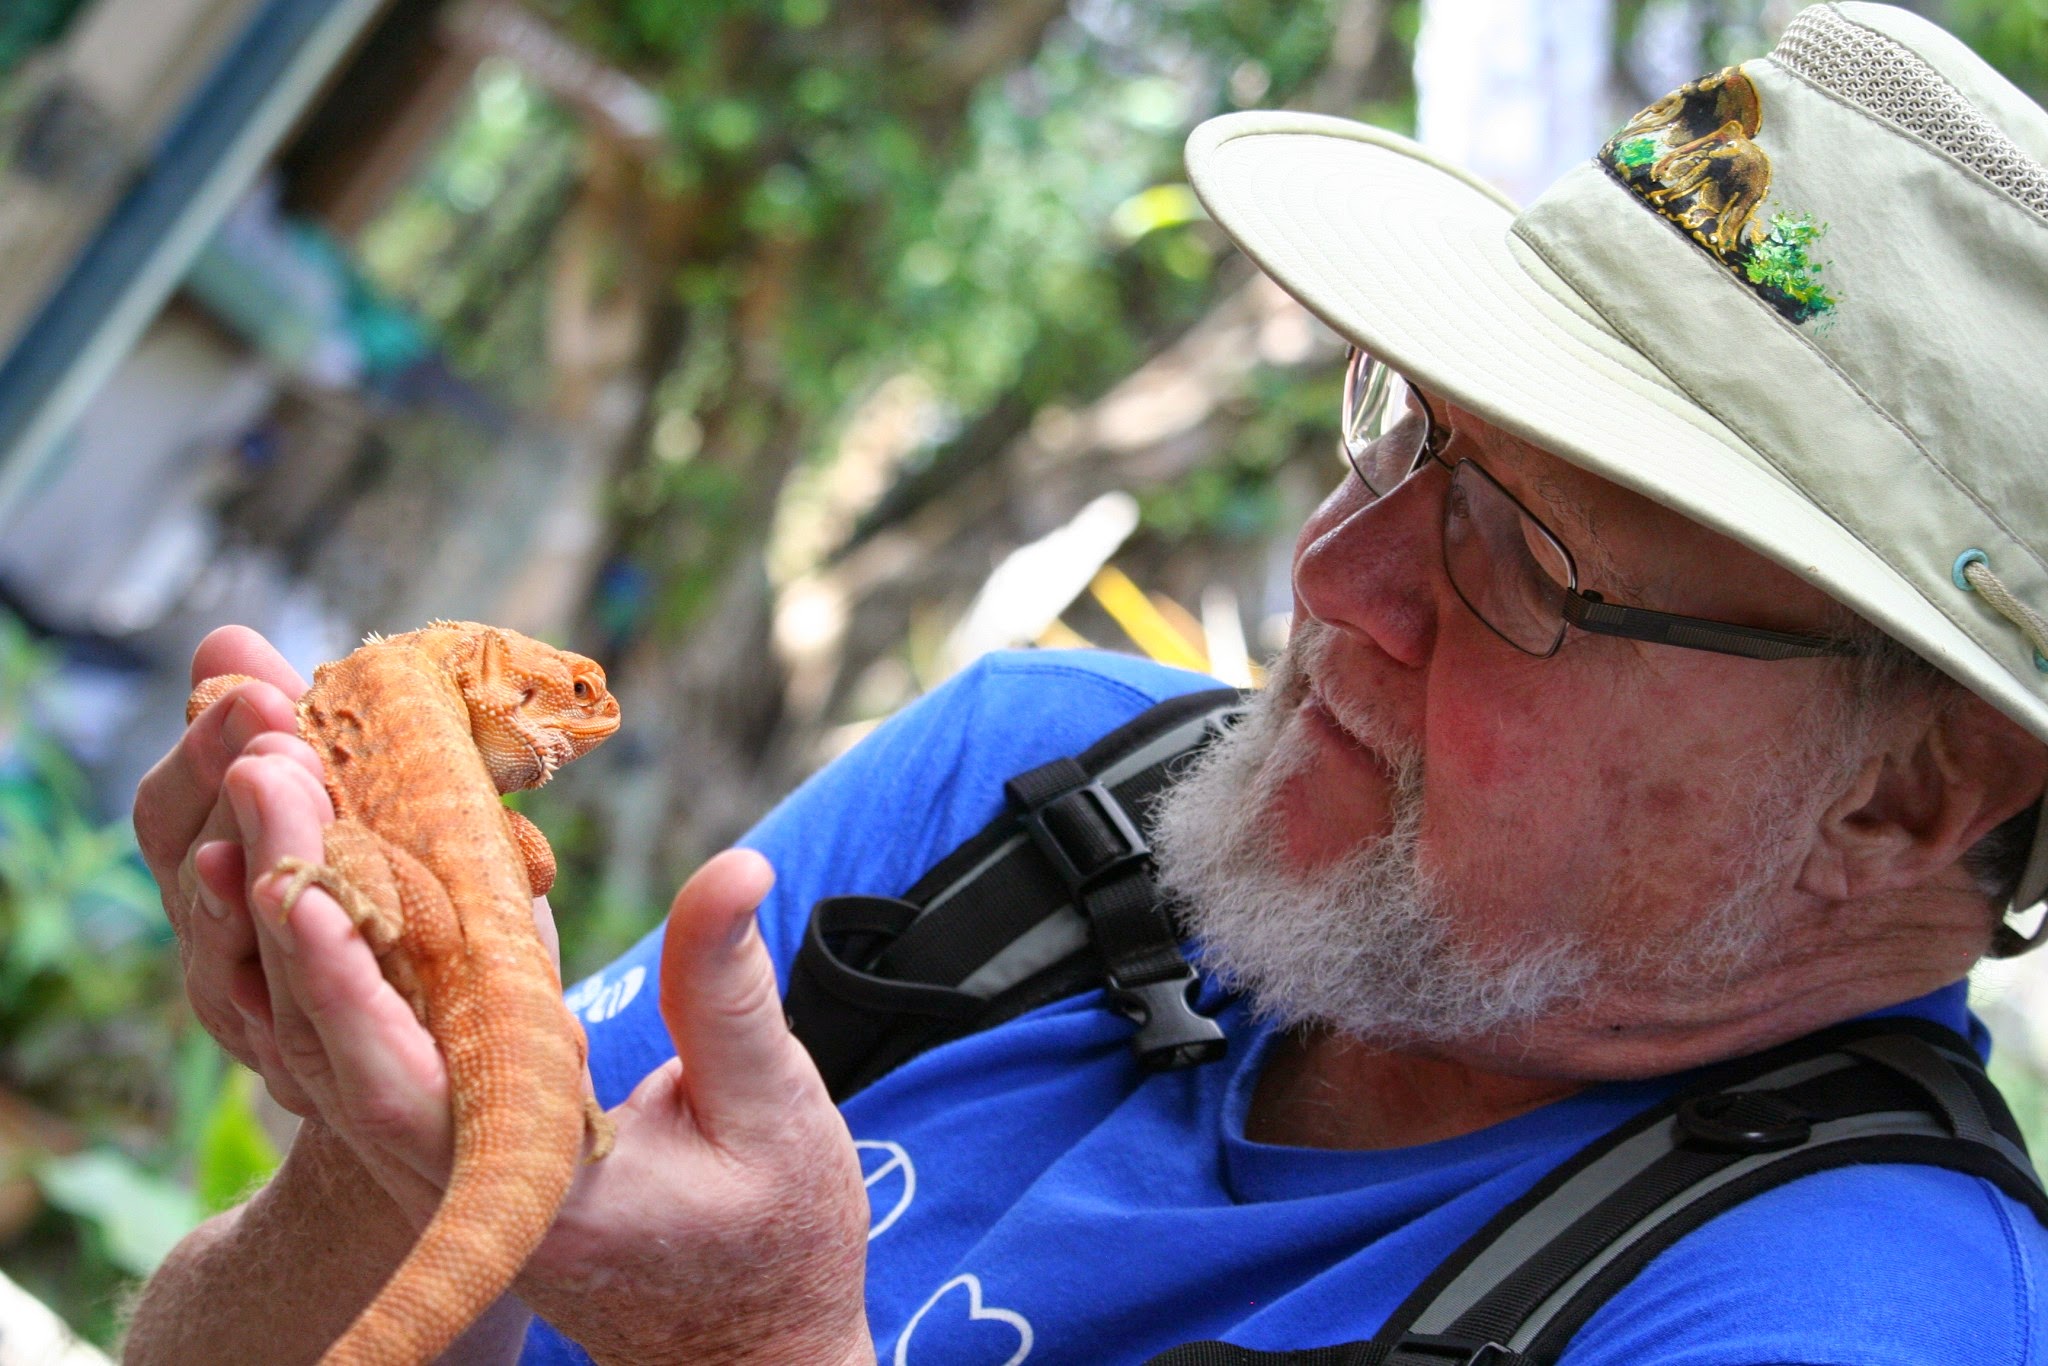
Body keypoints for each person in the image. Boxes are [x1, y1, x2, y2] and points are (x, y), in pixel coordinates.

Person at [125, 4, 2048, 1363]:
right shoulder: (1038, 790)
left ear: (1907, 799)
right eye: (1407, 441)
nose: (1334, 576)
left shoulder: (1825, 1319)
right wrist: (395, 1160)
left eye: (1526, 558)